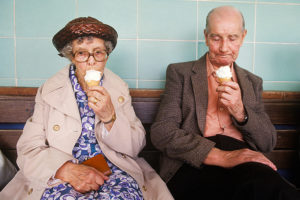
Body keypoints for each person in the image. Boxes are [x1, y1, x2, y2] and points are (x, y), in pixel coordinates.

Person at [0, 17, 173, 200]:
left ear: (106, 56)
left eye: (98, 53)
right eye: (82, 53)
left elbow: (135, 147)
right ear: (71, 57)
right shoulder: (49, 90)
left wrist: (110, 118)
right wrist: (65, 170)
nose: (91, 61)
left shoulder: (119, 88)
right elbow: (29, 147)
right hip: (63, 174)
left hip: (115, 171)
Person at [151, 6, 300, 200]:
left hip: (245, 166)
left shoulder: (252, 82)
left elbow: (267, 142)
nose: (223, 48)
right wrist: (223, 156)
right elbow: (162, 132)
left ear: (243, 37)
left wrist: (240, 111)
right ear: (205, 37)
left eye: (232, 38)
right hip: (195, 163)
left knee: (278, 192)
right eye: (215, 38)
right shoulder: (181, 74)